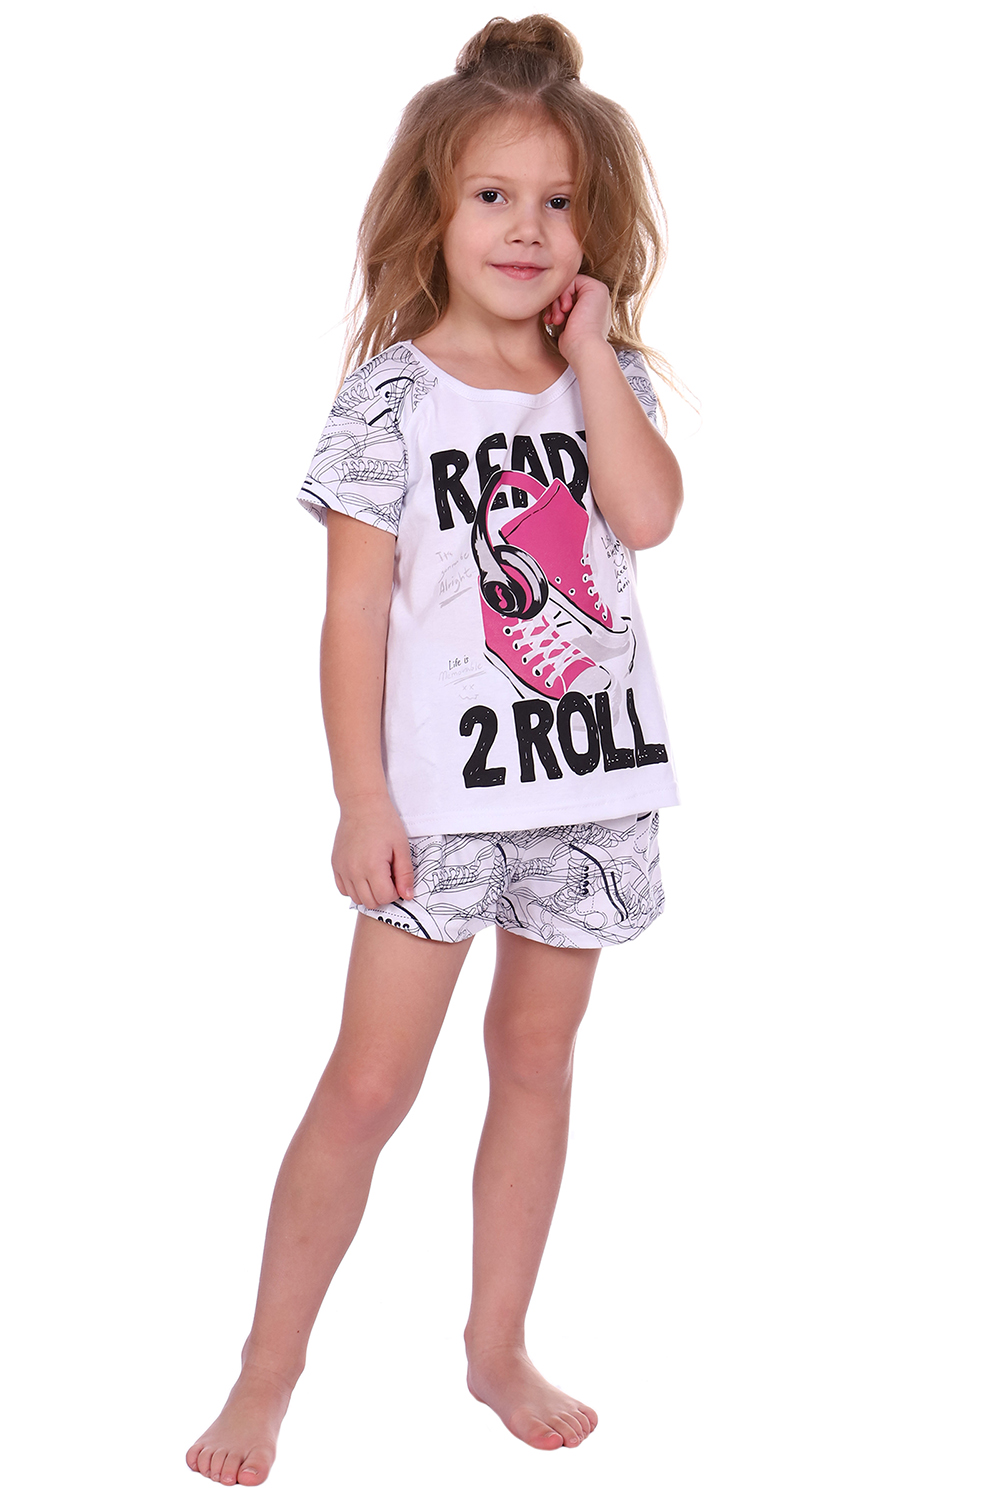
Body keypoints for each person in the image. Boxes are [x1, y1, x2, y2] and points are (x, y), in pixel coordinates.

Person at [186, 13, 685, 1486]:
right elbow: (352, 615)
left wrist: (591, 353)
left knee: (536, 1061)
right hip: (440, 805)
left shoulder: (608, 377)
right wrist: (361, 797)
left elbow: (648, 517)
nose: (527, 227)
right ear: (435, 209)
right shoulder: (390, 400)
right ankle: (265, 1374)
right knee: (367, 1088)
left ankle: (496, 1344)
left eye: (558, 200)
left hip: (589, 789)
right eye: (493, 195)